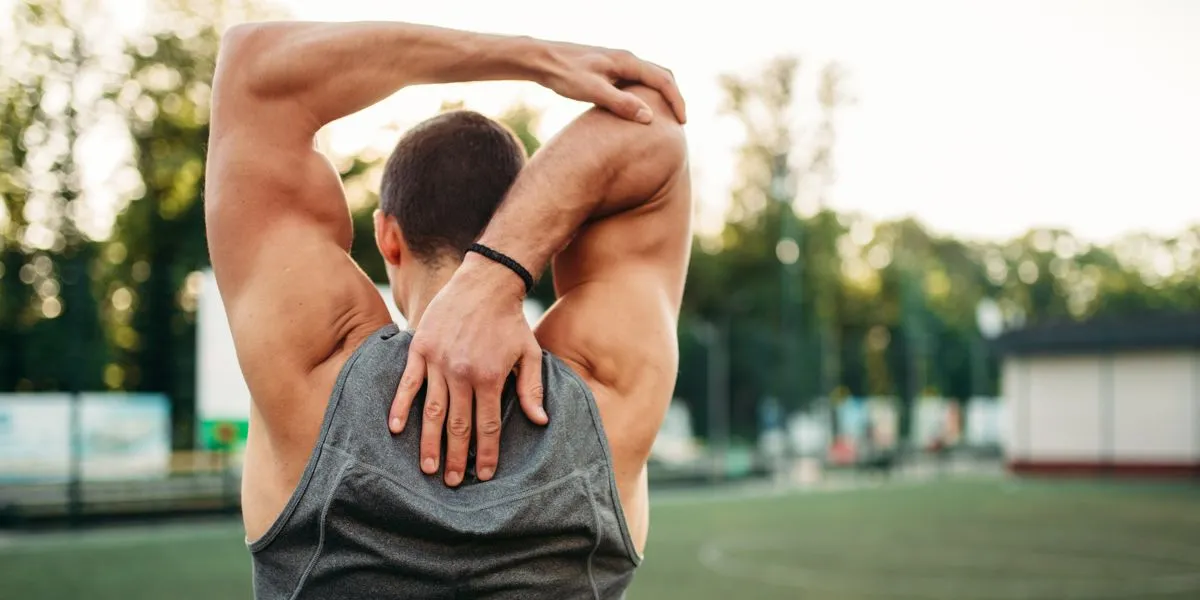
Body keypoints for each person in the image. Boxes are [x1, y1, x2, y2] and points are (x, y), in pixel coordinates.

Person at [206, 19, 689, 600]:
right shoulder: (607, 387)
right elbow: (653, 127)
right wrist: (496, 271)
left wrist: (534, 57)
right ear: (554, 237)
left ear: (388, 238)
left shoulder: (313, 366)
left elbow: (252, 69)